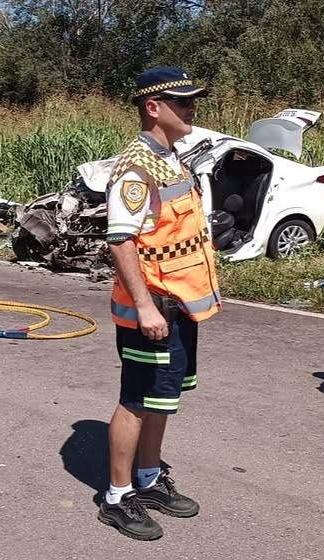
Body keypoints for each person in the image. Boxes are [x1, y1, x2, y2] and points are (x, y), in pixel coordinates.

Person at [98, 66, 221, 541]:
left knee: (162, 399)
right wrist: (146, 306)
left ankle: (148, 479)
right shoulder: (135, 168)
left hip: (181, 307)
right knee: (136, 400)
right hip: (154, 311)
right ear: (153, 107)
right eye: (183, 101)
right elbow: (121, 240)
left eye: (192, 100)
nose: (192, 108)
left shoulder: (172, 158)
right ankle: (117, 497)